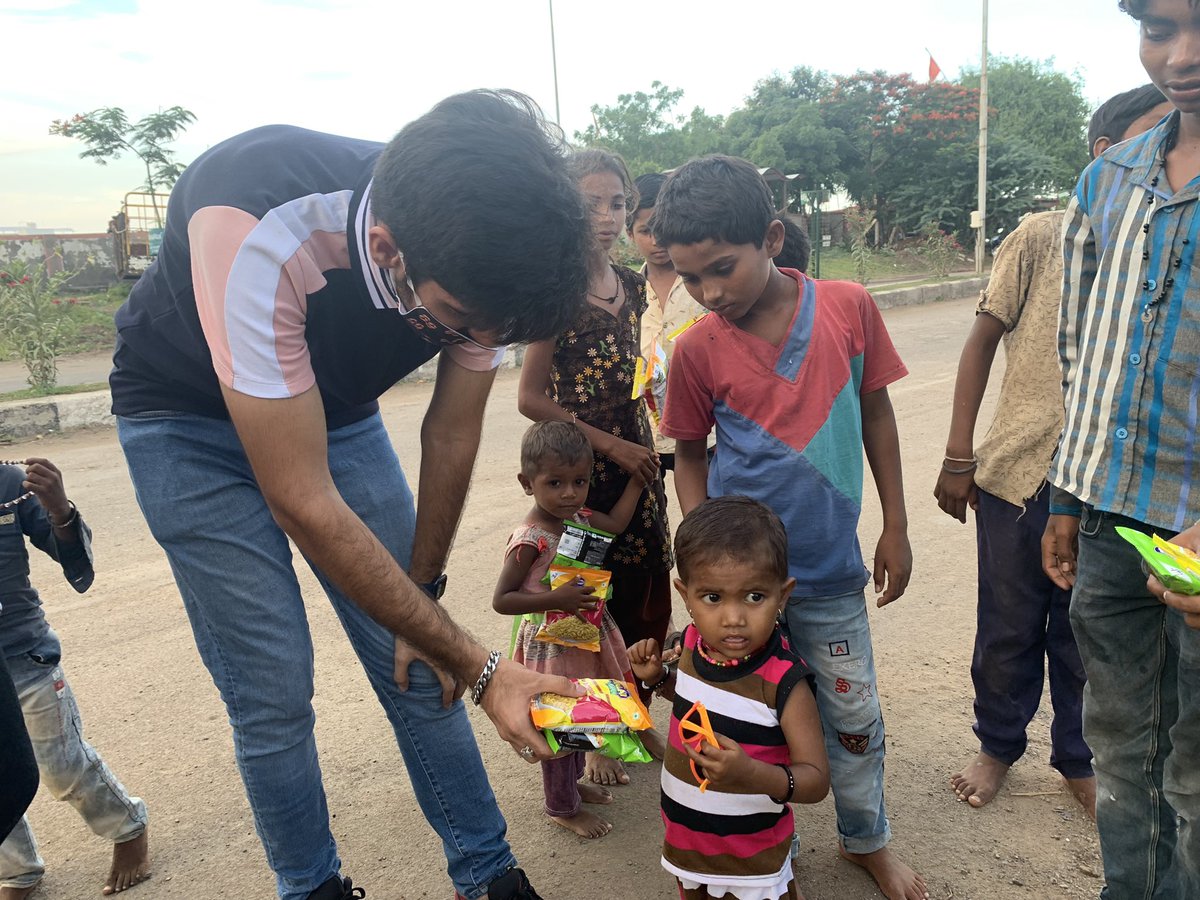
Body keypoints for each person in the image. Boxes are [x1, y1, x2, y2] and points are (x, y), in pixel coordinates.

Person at [108, 90, 594, 900]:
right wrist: (484, 670)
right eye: (458, 321)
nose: (475, 343)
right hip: (184, 421)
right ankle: (312, 888)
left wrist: (427, 594)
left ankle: (489, 873)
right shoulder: (259, 223)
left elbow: (450, 432)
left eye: (493, 333)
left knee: (417, 659)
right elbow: (300, 497)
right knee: (272, 690)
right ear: (387, 246)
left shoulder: (475, 247)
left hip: (329, 407)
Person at [653, 156, 926, 900]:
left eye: (721, 269)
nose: (708, 294)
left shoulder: (849, 307)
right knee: (752, 718)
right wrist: (707, 559)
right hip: (747, 587)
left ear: (771, 237)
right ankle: (776, 836)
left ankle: (867, 837)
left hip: (832, 573)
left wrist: (896, 525)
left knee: (851, 717)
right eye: (690, 279)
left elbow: (877, 414)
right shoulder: (697, 350)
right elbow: (688, 454)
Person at [933, 83, 1170, 815]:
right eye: (1158, 136)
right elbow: (981, 342)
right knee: (1008, 622)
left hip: (1107, 480)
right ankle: (998, 742)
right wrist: (958, 454)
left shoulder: (1166, 241)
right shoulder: (1041, 234)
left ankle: (1078, 754)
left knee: (1085, 631)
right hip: (1017, 476)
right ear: (1106, 153)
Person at [1041, 1, 1200, 895]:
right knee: (1125, 752)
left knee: (1198, 774)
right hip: (1107, 523)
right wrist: (1068, 498)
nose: (1180, 57)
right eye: (1158, 30)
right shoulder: (1110, 180)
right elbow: (1080, 350)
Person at [517, 149, 673, 782]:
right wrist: (608, 447)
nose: (607, 218)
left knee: (646, 591)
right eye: (590, 205)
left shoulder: (634, 287)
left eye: (617, 204)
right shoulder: (551, 295)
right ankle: (592, 742)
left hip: (639, 454)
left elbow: (642, 370)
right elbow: (529, 397)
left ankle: (630, 715)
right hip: (578, 470)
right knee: (581, 606)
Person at [628, 496, 829, 900]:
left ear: (783, 595)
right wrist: (658, 678)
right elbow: (693, 699)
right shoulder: (690, 645)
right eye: (713, 598)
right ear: (685, 595)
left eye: (754, 596)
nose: (733, 618)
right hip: (687, 840)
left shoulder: (786, 682)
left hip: (752, 857)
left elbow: (816, 781)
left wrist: (753, 775)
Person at [0, 459, 149, 899]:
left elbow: (72, 555)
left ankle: (128, 827)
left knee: (61, 765)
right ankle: (17, 870)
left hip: (25, 656)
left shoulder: (11, 484)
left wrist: (59, 508)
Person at [493, 420, 646, 839]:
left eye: (579, 481)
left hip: (582, 635)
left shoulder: (578, 516)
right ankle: (560, 806)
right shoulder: (530, 539)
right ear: (528, 483)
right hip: (550, 645)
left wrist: (636, 483)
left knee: (583, 714)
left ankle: (573, 786)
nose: (568, 493)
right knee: (558, 723)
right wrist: (556, 600)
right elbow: (502, 599)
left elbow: (614, 525)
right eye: (555, 482)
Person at [628, 172, 709, 470]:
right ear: (630, 234)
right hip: (647, 435)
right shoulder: (626, 293)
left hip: (707, 429)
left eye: (662, 228)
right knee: (650, 515)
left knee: (709, 510)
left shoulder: (705, 283)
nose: (656, 240)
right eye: (646, 231)